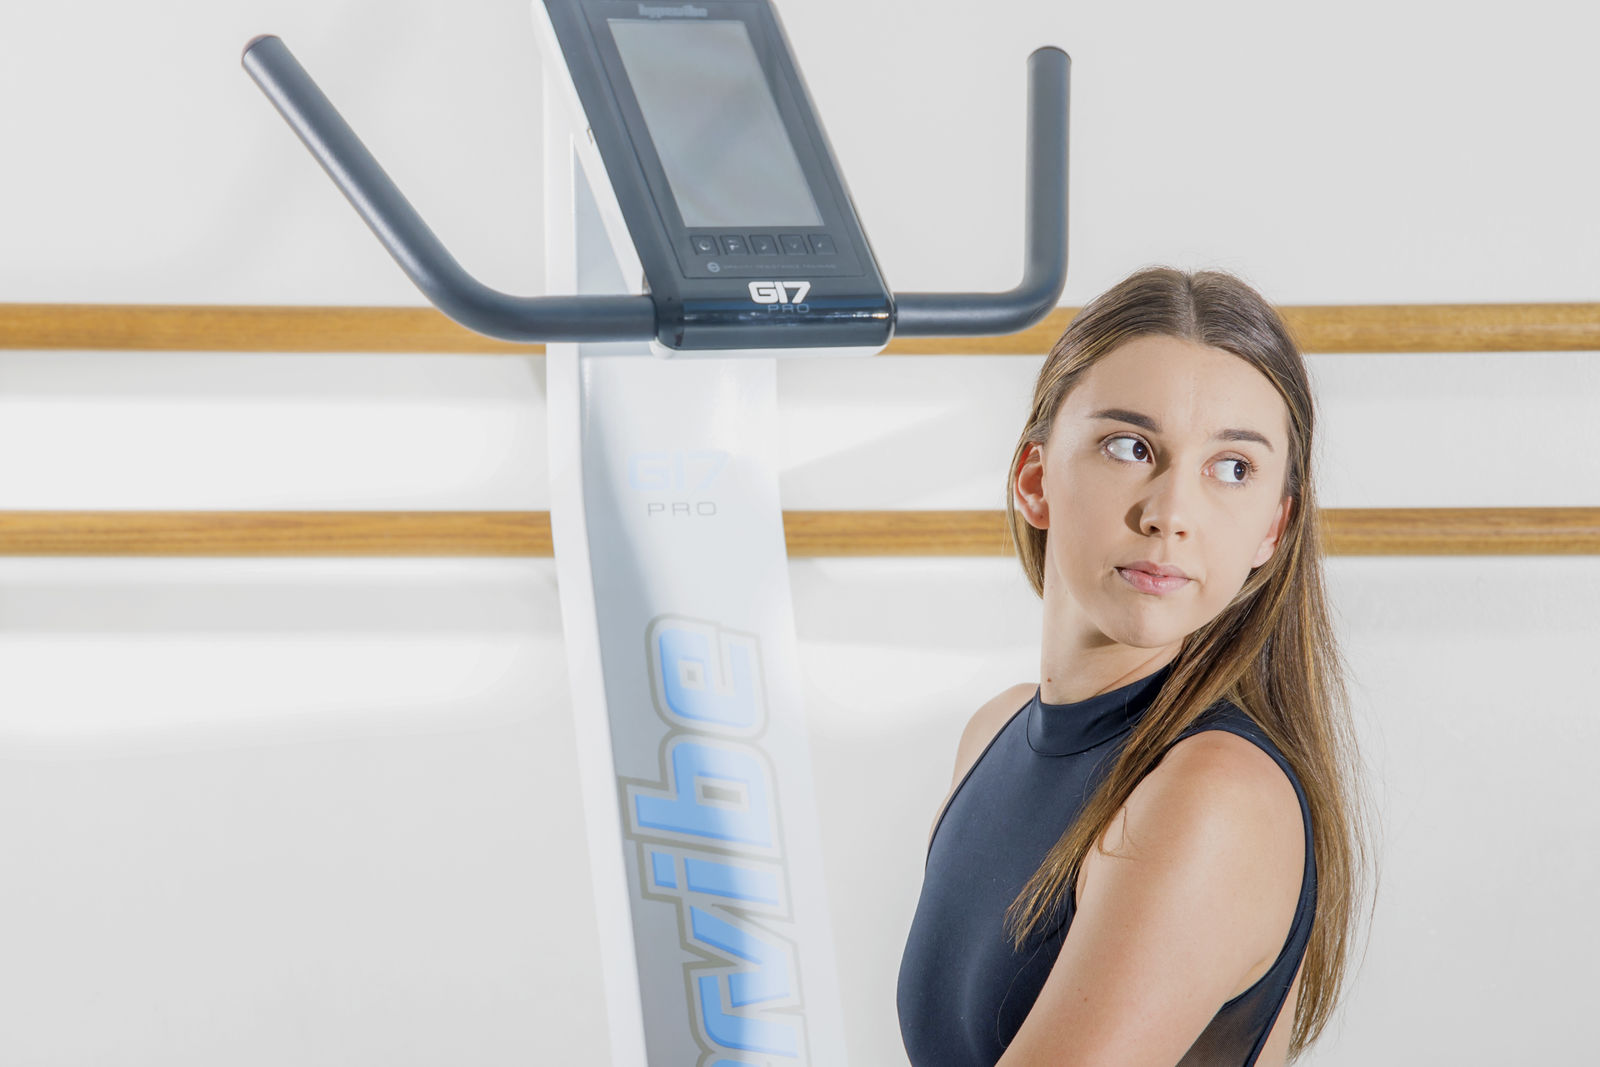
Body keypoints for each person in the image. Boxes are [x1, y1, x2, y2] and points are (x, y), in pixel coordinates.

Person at [896, 266, 1376, 1066]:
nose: (1170, 514)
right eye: (1130, 447)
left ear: (1273, 527)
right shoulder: (993, 731)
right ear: (1035, 479)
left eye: (1233, 467)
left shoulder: (1212, 790)